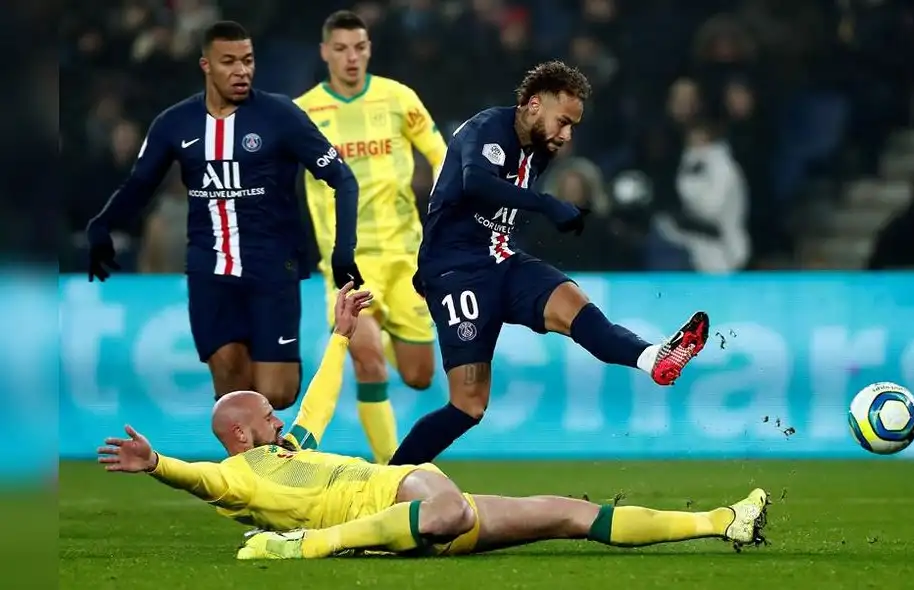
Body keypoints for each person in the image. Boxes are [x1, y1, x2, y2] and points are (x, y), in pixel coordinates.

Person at [96, 281, 770, 559]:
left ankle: (719, 522)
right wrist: (159, 466)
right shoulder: (241, 478)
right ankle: (309, 548)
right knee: (442, 504)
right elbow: (202, 482)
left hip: (415, 512)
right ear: (241, 435)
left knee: (569, 511)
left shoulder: (288, 450)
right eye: (268, 416)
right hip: (407, 498)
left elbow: (321, 402)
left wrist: (338, 335)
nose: (281, 419)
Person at [388, 61, 710, 466]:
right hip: (456, 273)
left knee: (574, 304)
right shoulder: (487, 128)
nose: (567, 134)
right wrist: (546, 204)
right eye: (563, 122)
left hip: (501, 259)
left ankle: (654, 358)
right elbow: (476, 182)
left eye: (573, 126)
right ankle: (389, 483)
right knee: (469, 406)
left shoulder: (539, 151)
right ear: (534, 105)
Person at [85, 21, 363, 411]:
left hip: (272, 269)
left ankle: (261, 457)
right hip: (209, 272)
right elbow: (138, 187)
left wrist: (343, 251)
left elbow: (343, 180)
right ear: (206, 65)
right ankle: (250, 470)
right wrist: (102, 225)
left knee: (278, 393)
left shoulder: (280, 115)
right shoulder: (174, 124)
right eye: (229, 61)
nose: (241, 70)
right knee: (234, 393)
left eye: (247, 61)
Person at [293, 10, 447, 464]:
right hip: (346, 263)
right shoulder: (303, 112)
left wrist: (443, 211)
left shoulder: (398, 98)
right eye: (340, 49)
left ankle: (387, 337)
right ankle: (393, 473)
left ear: (369, 50)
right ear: (325, 53)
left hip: (406, 259)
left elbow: (441, 155)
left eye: (358, 47)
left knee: (419, 376)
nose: (351, 58)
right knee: (368, 363)